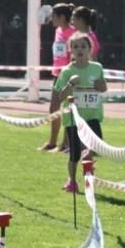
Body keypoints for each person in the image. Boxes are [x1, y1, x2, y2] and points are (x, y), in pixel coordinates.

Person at [51, 33, 107, 193]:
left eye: (83, 46)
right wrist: (70, 84)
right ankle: (72, 180)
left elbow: (104, 88)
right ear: (70, 50)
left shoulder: (97, 68)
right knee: (74, 154)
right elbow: (60, 97)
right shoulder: (67, 71)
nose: (79, 50)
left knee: (96, 144)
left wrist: (99, 85)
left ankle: (88, 162)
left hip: (92, 116)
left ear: (90, 49)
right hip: (73, 118)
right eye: (75, 47)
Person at [38, 2, 75, 152]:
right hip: (57, 75)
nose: (51, 19)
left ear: (62, 17)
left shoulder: (73, 33)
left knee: (67, 109)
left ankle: (65, 144)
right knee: (53, 108)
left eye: (54, 16)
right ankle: (52, 142)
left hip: (68, 75)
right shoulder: (58, 31)